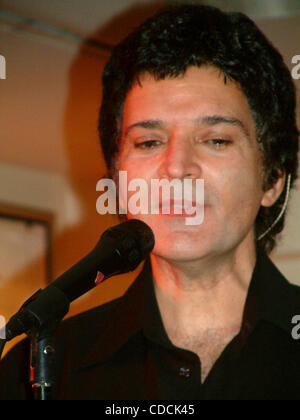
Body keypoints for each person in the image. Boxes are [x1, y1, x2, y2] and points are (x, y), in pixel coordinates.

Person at [1, 4, 299, 400]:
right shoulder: (36, 369)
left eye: (216, 140)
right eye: (149, 142)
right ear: (117, 176)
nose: (176, 168)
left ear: (273, 178)